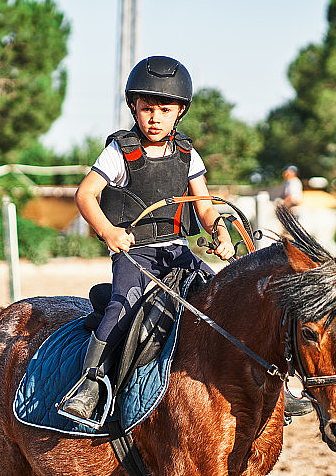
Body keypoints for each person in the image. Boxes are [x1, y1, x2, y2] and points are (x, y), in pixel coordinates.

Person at [61, 56, 235, 421]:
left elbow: (204, 207)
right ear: (134, 108)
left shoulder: (188, 154)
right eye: (147, 109)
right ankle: (90, 384)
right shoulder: (119, 151)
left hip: (178, 252)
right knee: (123, 306)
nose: (155, 117)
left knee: (227, 299)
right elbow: (85, 194)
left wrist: (220, 232)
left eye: (165, 110)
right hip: (135, 254)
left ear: (180, 112)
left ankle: (263, 384)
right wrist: (108, 231)